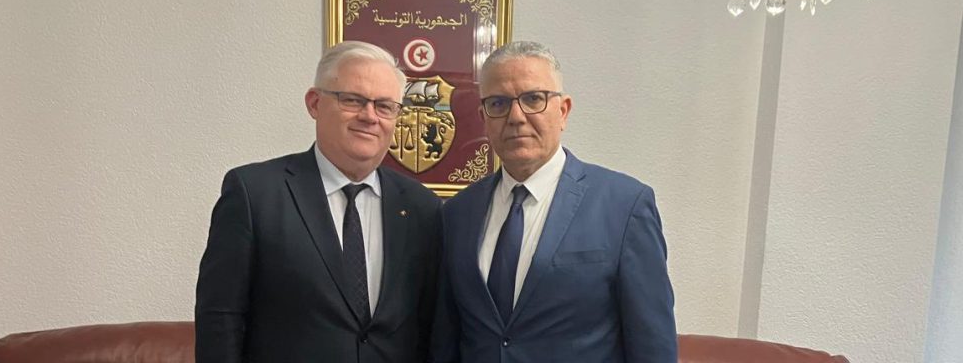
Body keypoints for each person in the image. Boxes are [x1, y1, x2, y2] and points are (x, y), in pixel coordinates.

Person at [195, 41, 443, 363]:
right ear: (315, 103)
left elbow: (431, 325)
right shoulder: (254, 194)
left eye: (384, 106)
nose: (370, 116)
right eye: (352, 100)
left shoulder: (422, 207)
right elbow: (221, 318)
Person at [430, 41, 677, 362]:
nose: (516, 117)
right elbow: (446, 338)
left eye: (533, 99)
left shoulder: (624, 206)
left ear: (563, 111)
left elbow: (653, 346)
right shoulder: (458, 213)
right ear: (483, 118)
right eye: (498, 103)